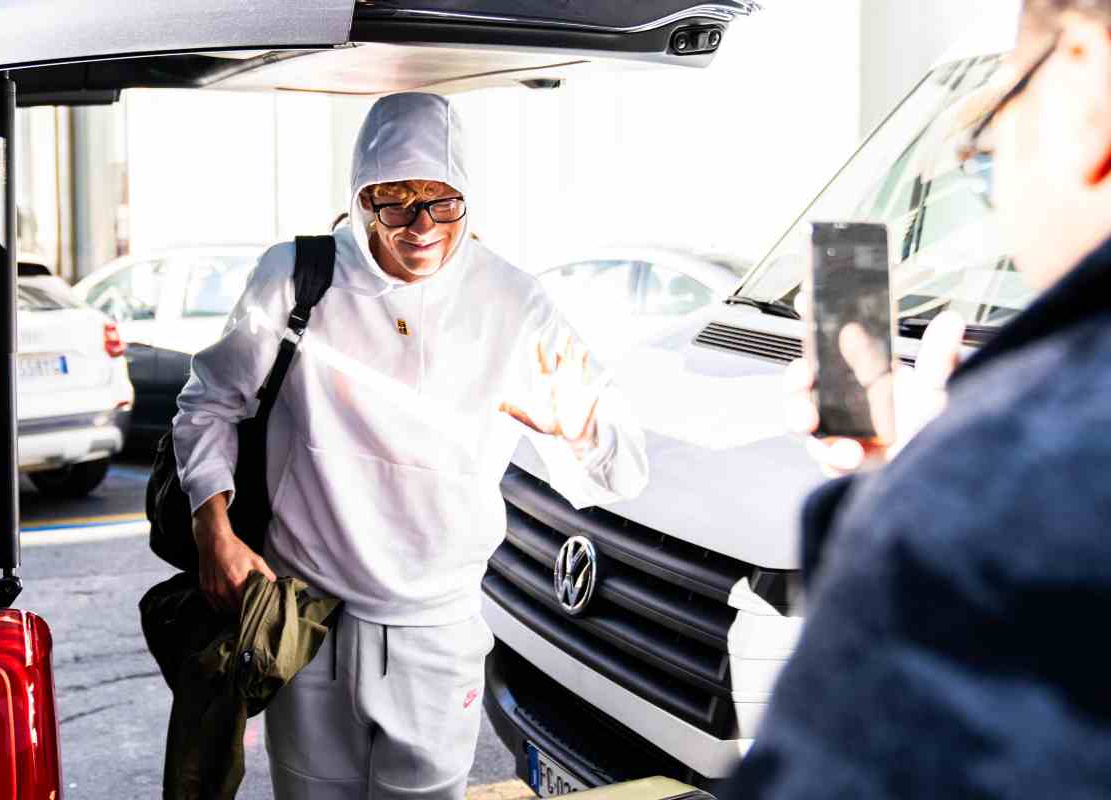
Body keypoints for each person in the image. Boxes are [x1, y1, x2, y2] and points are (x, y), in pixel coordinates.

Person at [171, 91, 648, 800]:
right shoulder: (299, 277)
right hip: (309, 618)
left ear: (467, 199)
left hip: (436, 630)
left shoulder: (513, 301)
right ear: (360, 200)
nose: (422, 225)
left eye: (442, 201)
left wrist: (575, 424)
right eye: (394, 201)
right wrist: (213, 530)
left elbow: (624, 469)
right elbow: (210, 400)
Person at [722, 1, 1111, 796]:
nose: (996, 182)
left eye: (987, 138)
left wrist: (919, 488)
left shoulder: (991, 495)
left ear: (1084, 82)